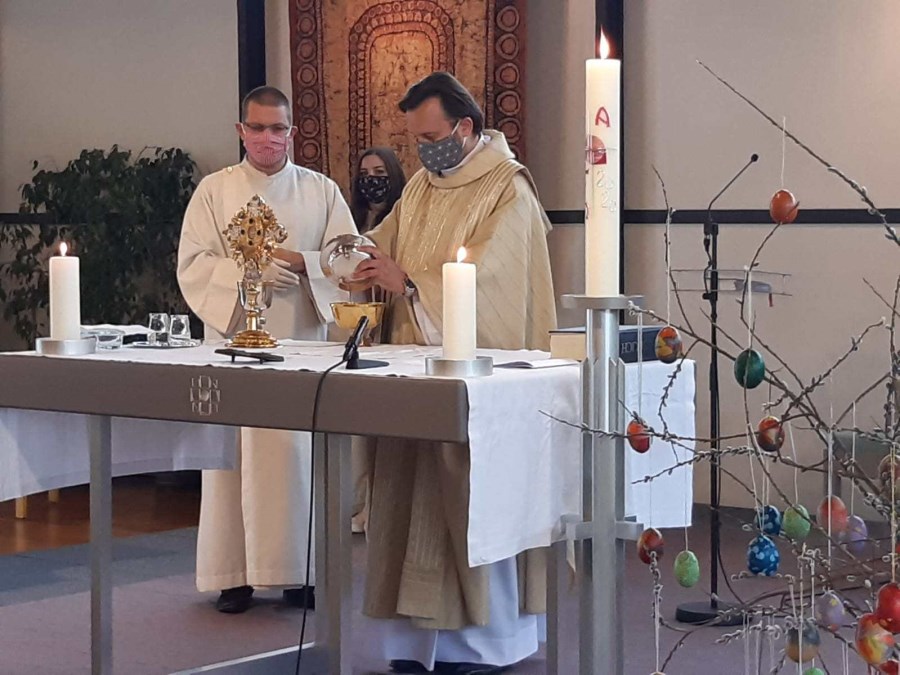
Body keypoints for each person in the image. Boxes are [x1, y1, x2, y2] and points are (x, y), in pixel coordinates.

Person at [352, 72, 557, 674]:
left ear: (464, 127)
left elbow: (495, 284)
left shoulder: (508, 188)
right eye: (415, 139)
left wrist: (411, 284)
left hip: (478, 377)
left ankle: (486, 644)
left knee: (470, 499)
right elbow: (383, 243)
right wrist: (357, 257)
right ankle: (413, 645)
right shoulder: (421, 185)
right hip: (412, 369)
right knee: (407, 499)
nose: (422, 150)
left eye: (430, 137)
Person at [177, 85, 356, 614]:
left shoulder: (321, 191)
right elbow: (193, 264)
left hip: (299, 345)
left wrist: (302, 263)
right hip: (233, 346)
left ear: (292, 132)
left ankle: (301, 574)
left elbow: (349, 258)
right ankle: (233, 576)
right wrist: (247, 273)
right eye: (256, 127)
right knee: (230, 460)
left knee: (296, 459)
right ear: (241, 131)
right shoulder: (214, 191)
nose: (267, 137)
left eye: (277, 128)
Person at [350, 147, 407, 234]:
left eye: (379, 171)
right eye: (364, 173)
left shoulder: (404, 215)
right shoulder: (350, 216)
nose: (370, 177)